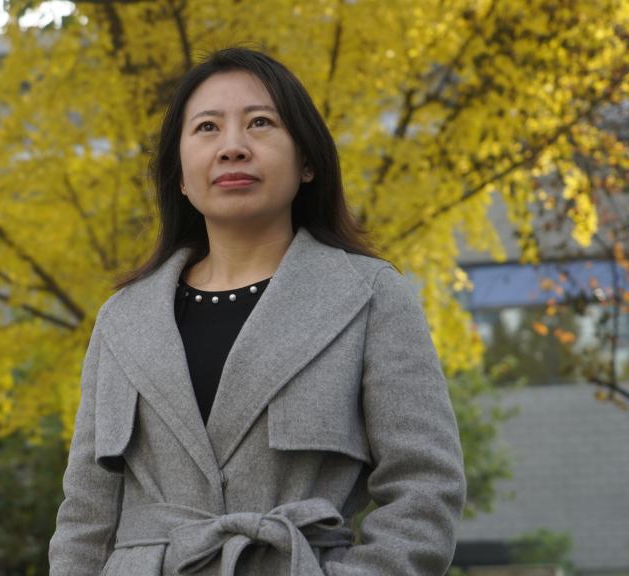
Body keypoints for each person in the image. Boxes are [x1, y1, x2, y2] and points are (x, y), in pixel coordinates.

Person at [48, 47, 466, 576]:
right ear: (180, 175)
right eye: (207, 128)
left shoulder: (370, 296)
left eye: (260, 123)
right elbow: (85, 518)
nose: (232, 147)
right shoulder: (123, 320)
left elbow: (424, 486)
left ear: (307, 161)